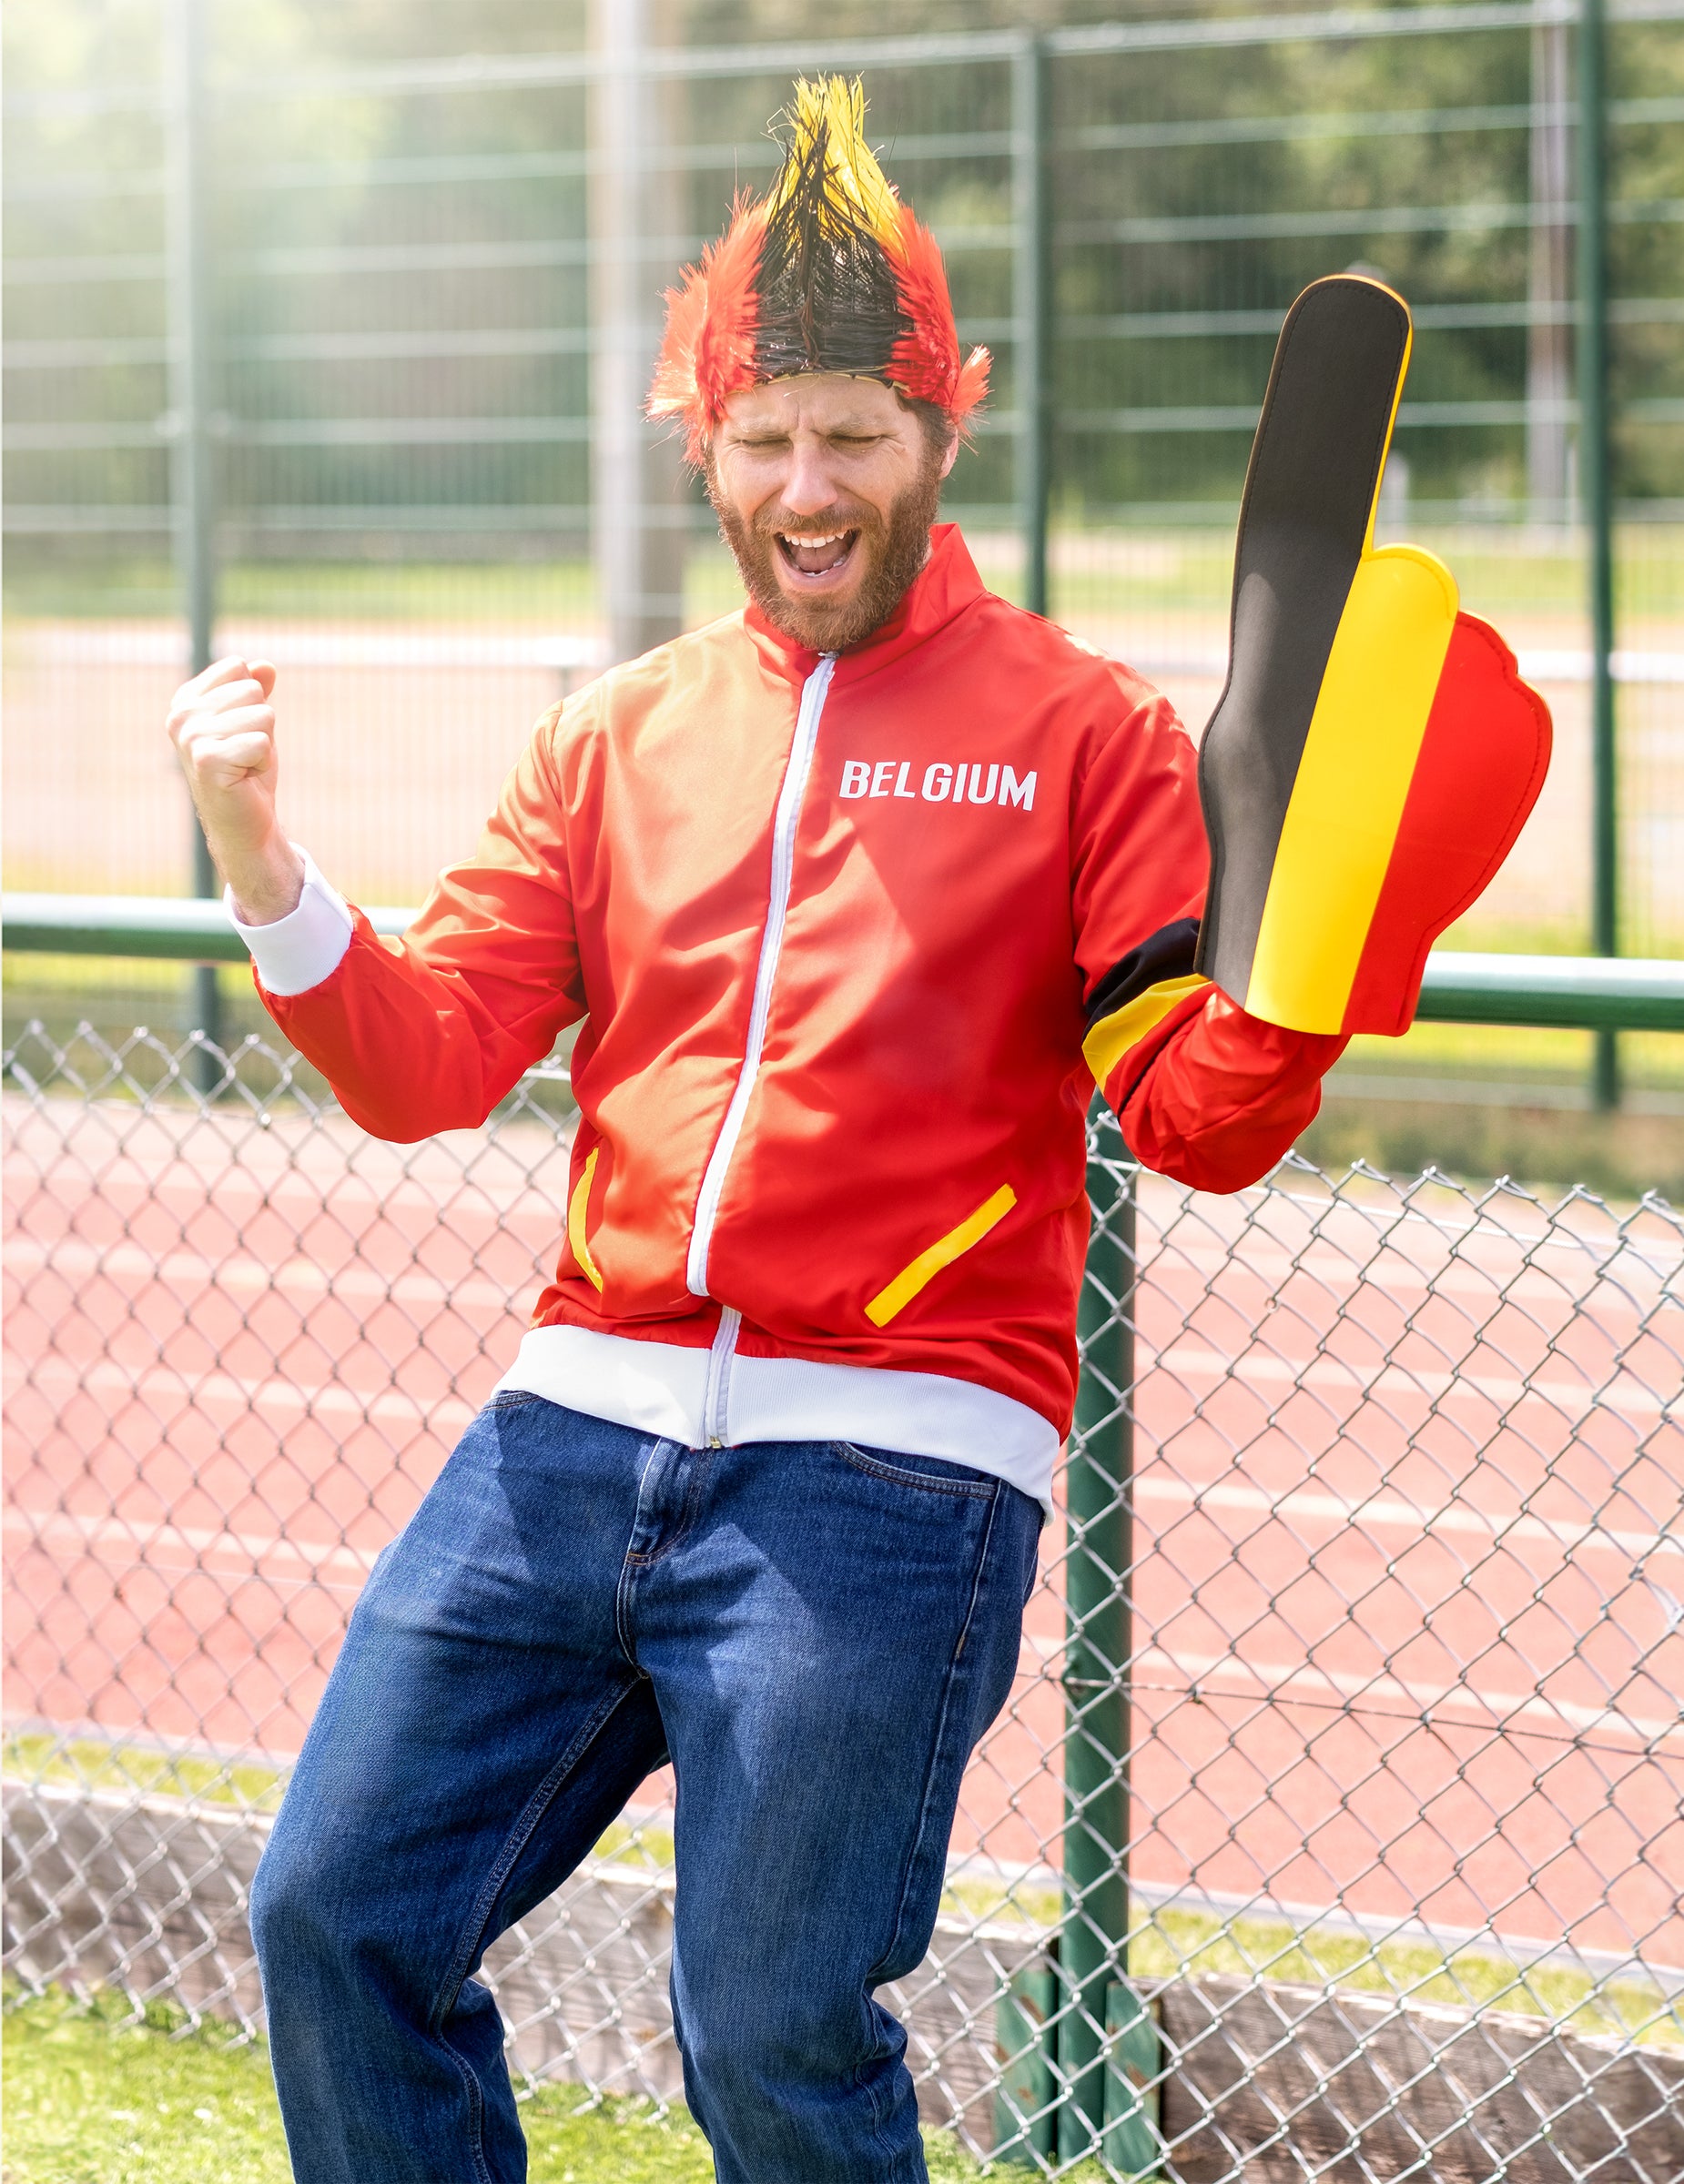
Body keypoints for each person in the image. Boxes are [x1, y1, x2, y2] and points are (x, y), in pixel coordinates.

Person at [167, 78, 1347, 2184]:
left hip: (894, 1457)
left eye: (852, 437)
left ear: (937, 438)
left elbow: (1189, 1113)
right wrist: (264, 862)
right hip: (571, 1430)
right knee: (333, 1913)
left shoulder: (1087, 734)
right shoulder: (613, 735)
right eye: (766, 436)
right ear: (703, 446)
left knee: (772, 2032)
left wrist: (1304, 978)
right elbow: (427, 1058)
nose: (808, 486)